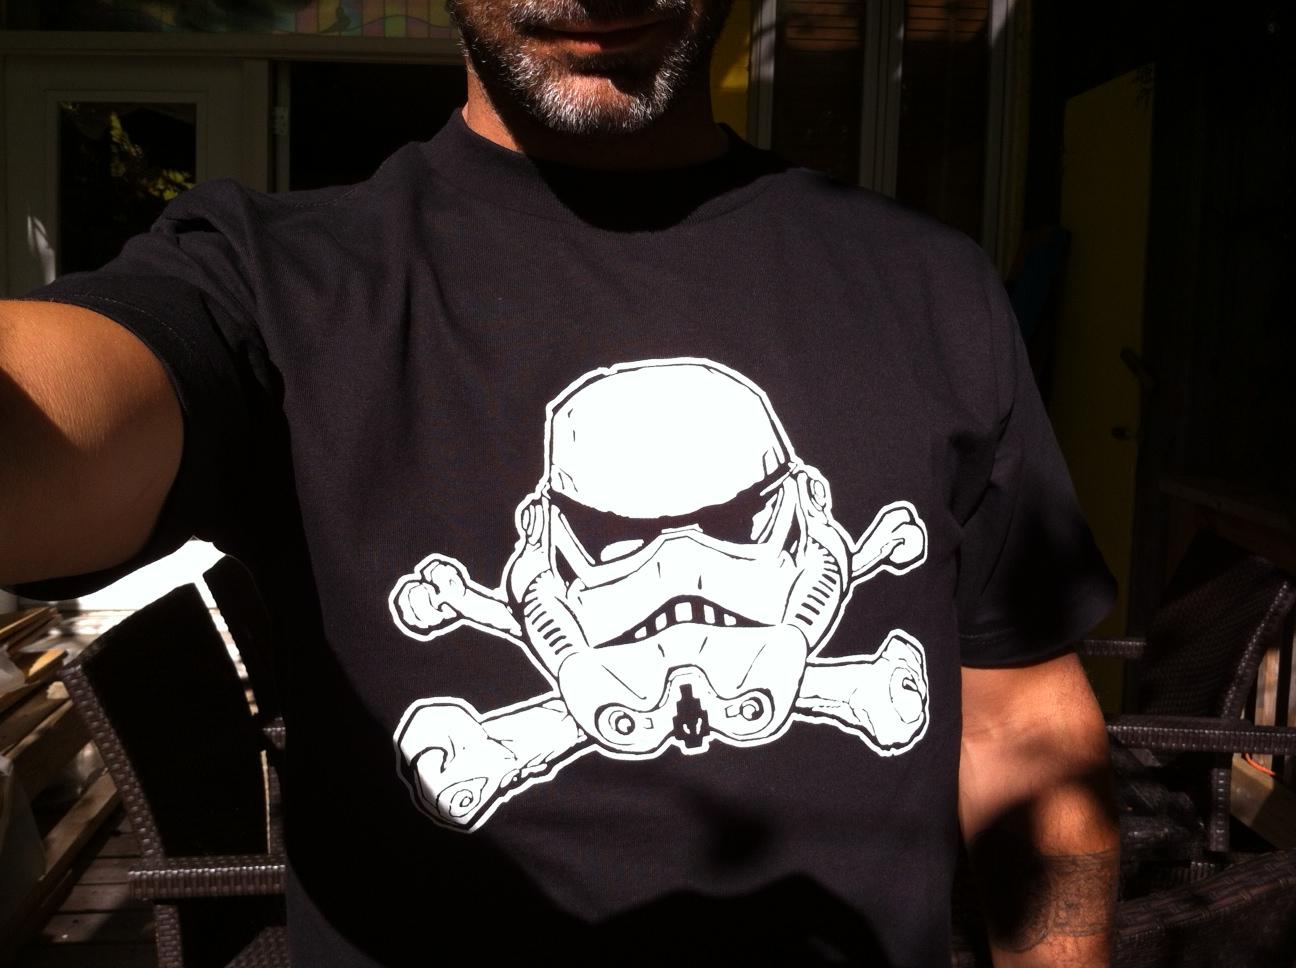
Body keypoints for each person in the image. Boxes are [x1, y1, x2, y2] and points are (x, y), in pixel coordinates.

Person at [0, 0, 1120, 963]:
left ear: (803, 517)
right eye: (618, 540)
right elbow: (53, 428)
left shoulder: (927, 290)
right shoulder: (274, 289)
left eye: (737, 521)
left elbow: (1022, 722)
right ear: (548, 536)